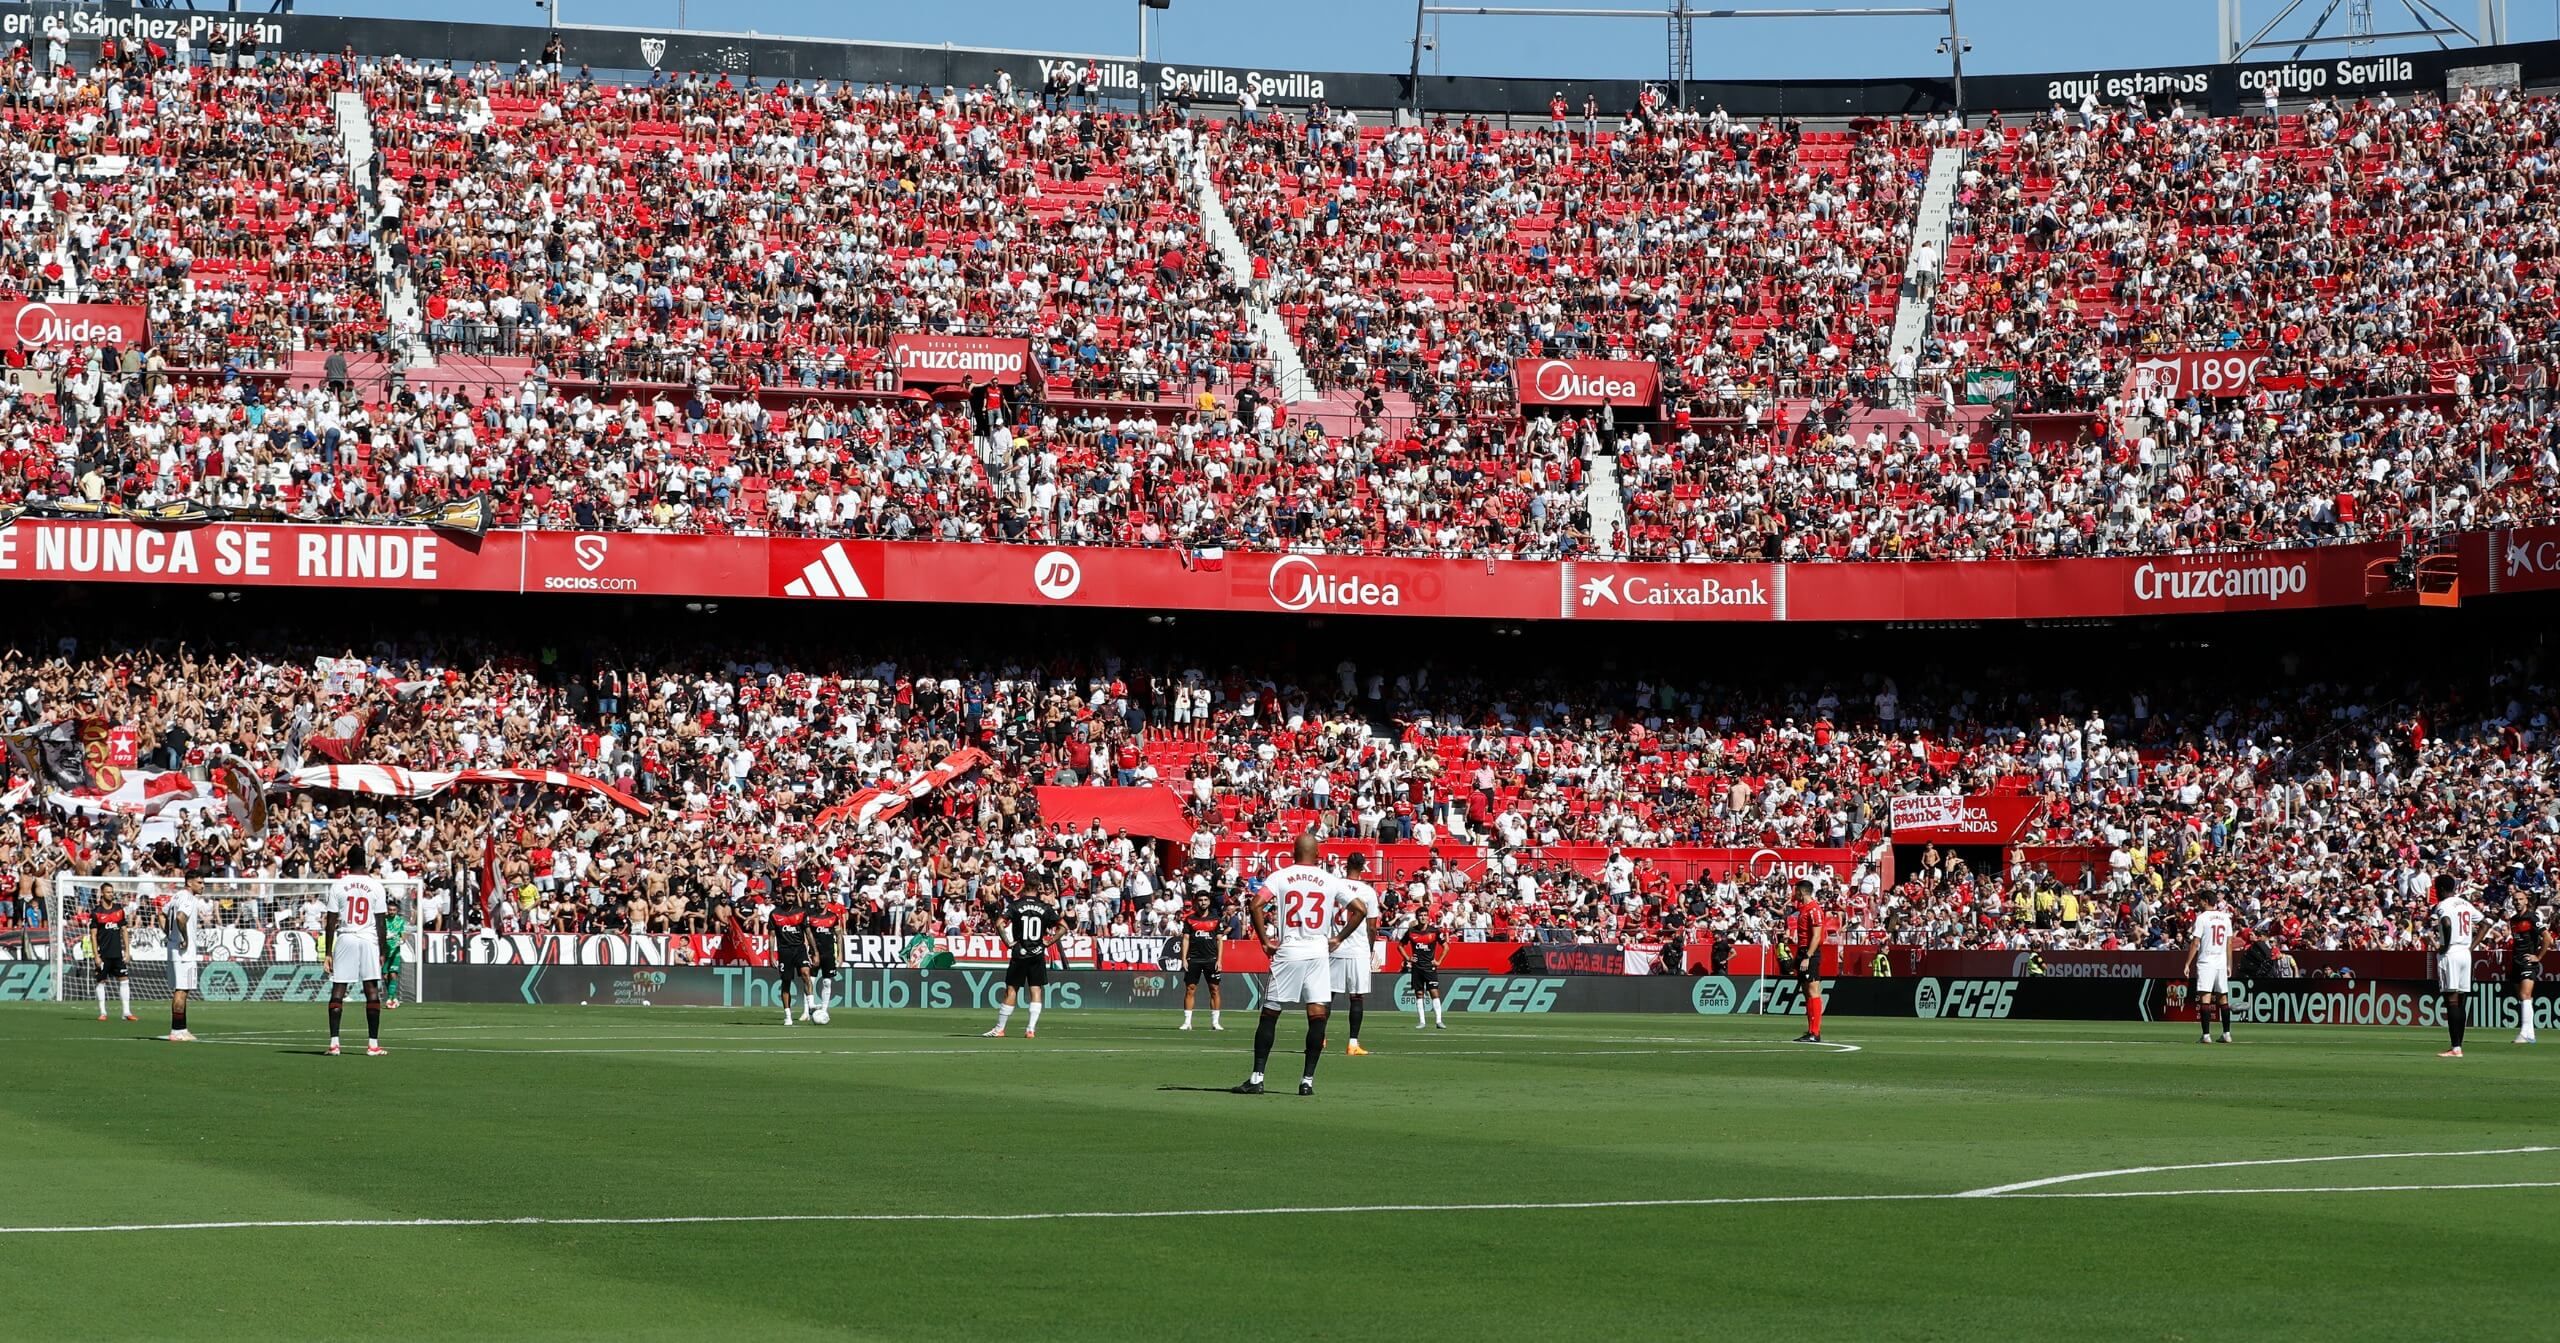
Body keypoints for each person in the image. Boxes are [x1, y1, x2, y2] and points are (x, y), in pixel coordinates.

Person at [1234, 832, 1343, 1096]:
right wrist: (1338, 937)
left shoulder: (1281, 876)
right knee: (1317, 1017)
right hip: (1318, 951)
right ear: (1317, 855)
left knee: (1270, 1014)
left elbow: (1256, 903)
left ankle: (1257, 1078)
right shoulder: (1329, 880)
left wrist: (1264, 940)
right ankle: (1307, 1082)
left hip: (1290, 950)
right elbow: (1360, 908)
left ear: (1293, 852)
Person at [322, 866, 391, 1057]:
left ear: (349, 864)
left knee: (338, 989)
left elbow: (331, 921)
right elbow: (381, 922)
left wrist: (328, 952)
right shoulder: (376, 886)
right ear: (365, 864)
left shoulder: (339, 885)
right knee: (371, 990)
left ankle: (334, 1044)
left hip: (346, 937)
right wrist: (382, 950)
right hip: (368, 939)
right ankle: (373, 1045)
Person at [984, 881, 1057, 1039]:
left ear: (1024, 887)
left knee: (1011, 990)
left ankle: (1000, 1029)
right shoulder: (1045, 907)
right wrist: (1049, 941)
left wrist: (1007, 942)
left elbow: (999, 923)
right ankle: (1030, 1029)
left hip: (1019, 953)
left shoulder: (1015, 905)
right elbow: (1064, 926)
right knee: (1036, 990)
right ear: (1038, 888)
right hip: (1037, 952)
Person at [1331, 853, 1379, 1057]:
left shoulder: (1334, 885)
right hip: (1357, 948)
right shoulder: (1368, 891)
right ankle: (1352, 1043)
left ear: (1346, 865)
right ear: (1363, 867)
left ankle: (1319, 1036)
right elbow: (1372, 926)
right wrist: (1370, 948)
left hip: (1334, 945)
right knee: (1356, 997)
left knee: (1326, 995)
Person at [2181, 888, 2235, 1044]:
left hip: (2206, 961)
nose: (2199, 903)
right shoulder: (2226, 918)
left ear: (2205, 901)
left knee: (2205, 997)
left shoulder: (2202, 918)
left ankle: (2206, 1035)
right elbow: (2229, 942)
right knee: (2223, 997)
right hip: (2221, 961)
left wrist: (2187, 963)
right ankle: (2226, 1033)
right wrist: (2229, 964)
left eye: (2200, 900)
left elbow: (2195, 942)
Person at [164, 885, 211, 1043]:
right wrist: (184, 938)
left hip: (173, 949)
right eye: (199, 882)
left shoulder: (175, 896)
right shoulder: (189, 898)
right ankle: (177, 1030)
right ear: (190, 883)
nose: (202, 885)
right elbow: (180, 917)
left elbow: (161, 914)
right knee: (182, 990)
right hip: (184, 952)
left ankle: (181, 1029)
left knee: (181, 989)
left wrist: (169, 934)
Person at [1786, 880, 1828, 1044]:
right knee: (1806, 991)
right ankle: (1811, 1030)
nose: (1793, 893)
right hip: (1802, 950)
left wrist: (1808, 956)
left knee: (1812, 990)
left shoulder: (1814, 910)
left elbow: (1817, 936)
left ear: (1802, 892)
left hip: (1809, 953)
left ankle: (1815, 1032)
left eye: (1795, 891)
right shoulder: (1803, 909)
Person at [1176, 894, 1224, 1031]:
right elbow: (1185, 939)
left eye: (1205, 900)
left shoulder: (1215, 919)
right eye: (1200, 900)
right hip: (1194, 959)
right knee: (1190, 989)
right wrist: (1183, 958)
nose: (1203, 902)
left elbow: (1220, 941)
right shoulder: (1190, 919)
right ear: (1196, 902)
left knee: (1214, 989)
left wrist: (1219, 960)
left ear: (1209, 902)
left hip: (1211, 959)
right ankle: (1187, 1022)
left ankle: (1215, 1022)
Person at [770, 891, 814, 1027]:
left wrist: (814, 950)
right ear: (783, 897)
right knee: (786, 983)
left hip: (800, 949)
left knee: (806, 974)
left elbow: (808, 932)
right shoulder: (775, 914)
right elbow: (772, 936)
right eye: (788, 896)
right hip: (784, 951)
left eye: (792, 896)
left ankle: (811, 1005)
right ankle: (787, 1016)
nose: (790, 898)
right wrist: (771, 955)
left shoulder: (801, 912)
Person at [2508, 901, 2546, 1045]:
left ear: (2526, 901)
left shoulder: (2532, 918)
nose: (2517, 902)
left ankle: (2524, 1032)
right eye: (2514, 899)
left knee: (2525, 995)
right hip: (2516, 961)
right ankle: (2530, 1033)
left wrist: (2538, 956)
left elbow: (2547, 938)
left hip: (2528, 961)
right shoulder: (2513, 920)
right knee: (2523, 997)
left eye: (2520, 899)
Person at [89, 899, 133, 1022]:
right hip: (103, 954)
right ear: (102, 894)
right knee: (101, 981)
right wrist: (96, 955)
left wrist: (127, 951)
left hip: (117, 954)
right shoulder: (96, 912)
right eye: (108, 892)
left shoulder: (119, 910)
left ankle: (126, 1012)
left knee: (124, 980)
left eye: (112, 892)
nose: (111, 894)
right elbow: (93, 935)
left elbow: (124, 931)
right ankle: (103, 1012)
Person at [807, 896, 844, 1025]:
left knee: (827, 982)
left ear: (827, 901)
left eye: (824, 899)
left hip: (829, 954)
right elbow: (807, 935)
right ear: (817, 901)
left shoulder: (833, 917)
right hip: (814, 954)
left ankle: (824, 1010)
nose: (822, 901)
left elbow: (839, 936)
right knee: (810, 980)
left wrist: (840, 955)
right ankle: (807, 1011)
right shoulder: (811, 917)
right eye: (820, 899)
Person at [1404, 918, 1447, 1029]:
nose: (1423, 917)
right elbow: (1399, 945)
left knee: (1434, 992)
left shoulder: (1435, 931)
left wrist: (1439, 961)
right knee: (1419, 994)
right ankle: (1422, 1022)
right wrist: (1408, 958)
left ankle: (1439, 1021)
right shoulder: (1411, 931)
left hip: (1429, 967)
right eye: (1421, 915)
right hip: (1417, 967)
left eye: (1425, 915)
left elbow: (1446, 947)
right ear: (1418, 917)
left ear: (1427, 917)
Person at [380, 902, 409, 1009]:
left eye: (394, 910)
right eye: (390, 910)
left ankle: (389, 998)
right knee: (385, 976)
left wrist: (401, 941)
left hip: (395, 951)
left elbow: (404, 935)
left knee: (393, 974)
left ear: (397, 911)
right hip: (384, 952)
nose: (392, 912)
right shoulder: (383, 920)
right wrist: (384, 937)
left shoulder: (400, 921)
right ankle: (394, 997)